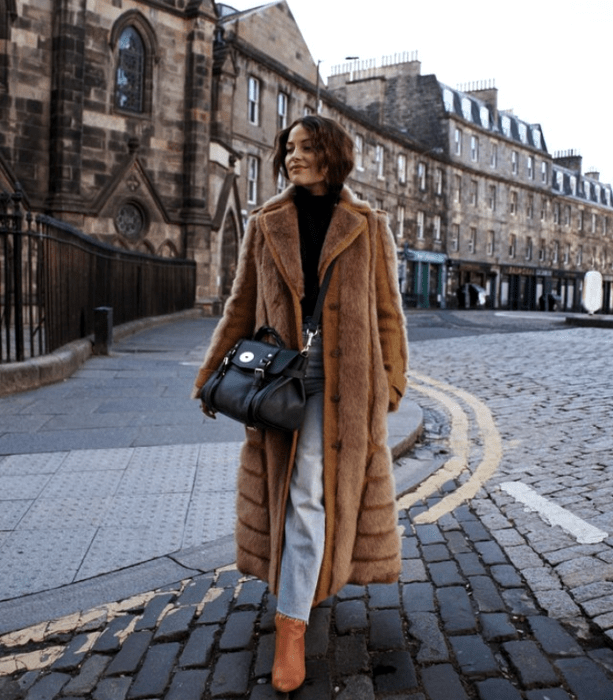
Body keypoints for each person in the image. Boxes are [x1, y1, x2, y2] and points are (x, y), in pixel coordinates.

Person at [192, 115, 408, 692]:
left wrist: (391, 382)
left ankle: (290, 627)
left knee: (309, 489)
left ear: (333, 155)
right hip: (275, 381)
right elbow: (240, 305)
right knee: (285, 488)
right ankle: (300, 585)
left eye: (306, 147)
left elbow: (388, 313)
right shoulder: (265, 223)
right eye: (288, 148)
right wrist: (211, 374)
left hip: (345, 384)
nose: (293, 156)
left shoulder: (368, 225)